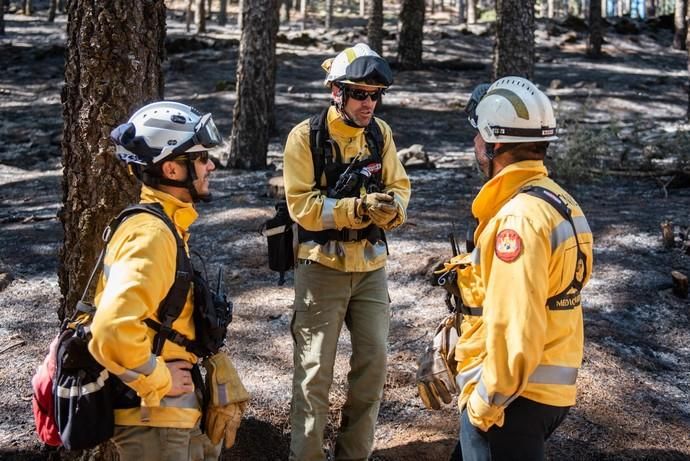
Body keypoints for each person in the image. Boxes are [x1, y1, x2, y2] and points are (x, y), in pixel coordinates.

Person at [88, 101, 247, 461]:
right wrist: (159, 379)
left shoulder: (167, 227)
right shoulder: (151, 235)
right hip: (153, 417)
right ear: (173, 168)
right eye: (201, 157)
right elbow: (110, 331)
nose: (211, 165)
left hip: (170, 416)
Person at [448, 77, 594, 460]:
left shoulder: (517, 221)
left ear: (494, 143)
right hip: (537, 393)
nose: (474, 145)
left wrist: (483, 405)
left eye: (478, 136)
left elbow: (518, 327)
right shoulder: (558, 201)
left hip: (511, 402)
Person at [282, 43, 411, 461]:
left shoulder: (381, 134)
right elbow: (301, 206)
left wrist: (392, 210)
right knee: (314, 374)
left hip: (371, 266)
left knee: (373, 367)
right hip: (321, 268)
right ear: (336, 92)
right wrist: (356, 209)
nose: (369, 103)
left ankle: (354, 454)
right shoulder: (306, 137)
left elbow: (400, 185)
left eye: (375, 95)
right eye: (359, 93)